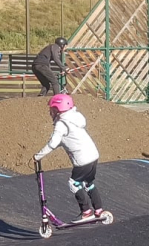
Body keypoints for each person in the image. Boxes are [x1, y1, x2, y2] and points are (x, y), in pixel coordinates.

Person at [34, 94, 104, 223]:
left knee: (74, 183)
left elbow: (53, 143)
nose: (50, 113)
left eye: (52, 110)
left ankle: (86, 211)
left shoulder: (61, 124)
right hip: (93, 156)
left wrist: (38, 156)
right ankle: (99, 209)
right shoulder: (75, 118)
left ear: (58, 110)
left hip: (82, 160)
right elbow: (68, 139)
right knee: (88, 183)